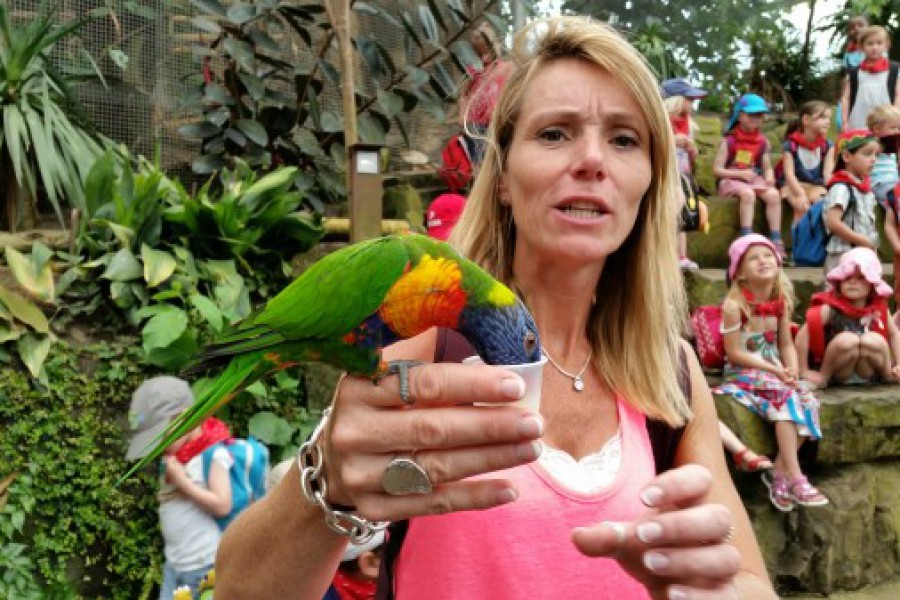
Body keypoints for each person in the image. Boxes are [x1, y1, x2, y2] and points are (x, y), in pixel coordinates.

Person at [215, 16, 776, 599]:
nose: (591, 160)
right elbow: (239, 592)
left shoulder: (672, 374)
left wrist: (711, 589)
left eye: (624, 139)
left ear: (650, 182)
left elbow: (750, 582)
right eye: (555, 133)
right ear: (503, 176)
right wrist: (325, 485)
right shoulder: (426, 346)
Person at [713, 235, 827, 512]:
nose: (763, 261)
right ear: (739, 272)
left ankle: (778, 471)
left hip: (773, 369)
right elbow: (734, 354)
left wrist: (792, 370)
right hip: (745, 372)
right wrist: (775, 370)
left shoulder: (780, 301)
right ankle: (797, 476)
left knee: (807, 398)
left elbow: (785, 343)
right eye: (753, 258)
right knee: (786, 398)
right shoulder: (733, 306)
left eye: (768, 255)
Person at [126, 376, 234, 600]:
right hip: (176, 563)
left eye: (162, 435)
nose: (159, 445)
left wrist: (183, 483)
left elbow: (223, 505)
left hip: (204, 565)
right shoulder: (177, 456)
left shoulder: (213, 453)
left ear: (183, 418)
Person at [796, 247, 900, 388]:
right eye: (847, 277)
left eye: (861, 277)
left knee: (874, 340)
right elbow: (803, 335)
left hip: (867, 369)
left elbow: (894, 334)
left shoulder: (878, 308)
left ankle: (887, 374)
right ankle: (824, 377)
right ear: (839, 282)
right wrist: (803, 370)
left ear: (872, 285)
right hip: (840, 369)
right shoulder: (830, 308)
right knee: (847, 339)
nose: (853, 282)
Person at [714, 93, 784, 257]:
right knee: (747, 194)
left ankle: (775, 238)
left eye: (759, 115)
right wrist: (739, 173)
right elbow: (717, 170)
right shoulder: (729, 141)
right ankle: (746, 236)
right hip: (731, 180)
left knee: (773, 195)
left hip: (753, 179)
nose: (756, 118)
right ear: (739, 115)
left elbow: (766, 166)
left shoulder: (762, 142)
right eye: (751, 114)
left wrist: (769, 176)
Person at [661, 80, 707, 270]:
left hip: (682, 176)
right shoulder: (660, 121)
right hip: (664, 175)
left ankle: (681, 256)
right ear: (675, 101)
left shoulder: (691, 126)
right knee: (673, 209)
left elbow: (692, 158)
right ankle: (664, 255)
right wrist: (672, 141)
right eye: (689, 99)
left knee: (683, 215)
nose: (692, 103)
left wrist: (691, 148)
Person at [822, 129, 880, 274]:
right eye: (867, 154)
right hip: (843, 253)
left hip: (862, 252)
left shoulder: (864, 188)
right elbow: (833, 222)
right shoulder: (841, 187)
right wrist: (862, 240)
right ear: (847, 156)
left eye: (875, 154)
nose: (873, 159)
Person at [458, 22, 513, 166]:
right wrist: (462, 115)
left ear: (494, 47)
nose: (483, 57)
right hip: (474, 123)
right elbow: (464, 94)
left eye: (486, 51)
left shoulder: (505, 68)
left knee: (496, 162)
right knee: (478, 163)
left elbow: (509, 93)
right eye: (479, 53)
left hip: (495, 122)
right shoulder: (474, 69)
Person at [777, 100, 835, 225]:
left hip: (815, 185)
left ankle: (816, 242)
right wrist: (800, 195)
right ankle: (798, 243)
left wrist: (834, 191)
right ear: (806, 120)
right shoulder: (790, 146)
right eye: (823, 117)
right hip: (792, 186)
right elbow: (789, 175)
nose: (828, 121)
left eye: (829, 118)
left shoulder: (828, 146)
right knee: (801, 207)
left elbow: (827, 174)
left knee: (822, 205)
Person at [841, 25, 900, 132]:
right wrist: (845, 121)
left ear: (886, 45)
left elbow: (898, 94)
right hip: (859, 119)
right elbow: (846, 98)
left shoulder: (894, 69)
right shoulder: (854, 72)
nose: (874, 47)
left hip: (886, 119)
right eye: (870, 43)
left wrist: (896, 116)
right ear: (862, 47)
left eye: (879, 43)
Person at [866, 104, 900, 203]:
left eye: (899, 128)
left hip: (894, 181)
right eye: (893, 128)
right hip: (879, 183)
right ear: (876, 129)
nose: (897, 132)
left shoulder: (893, 147)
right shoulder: (872, 143)